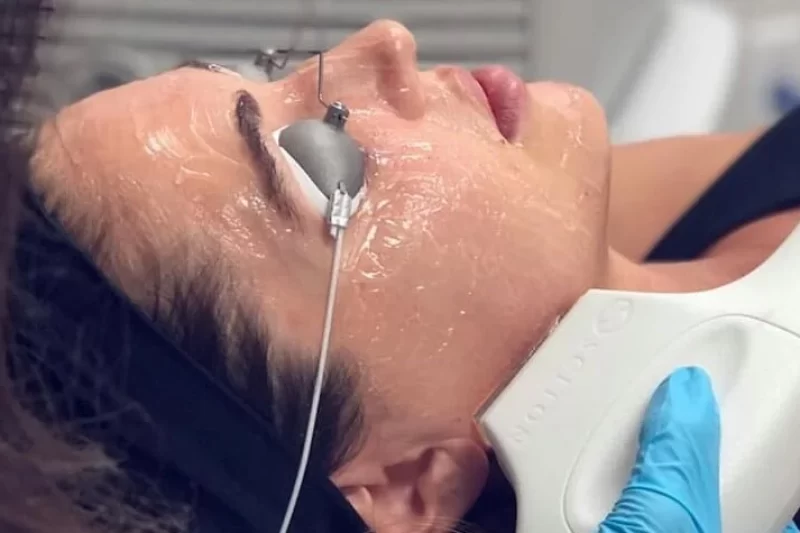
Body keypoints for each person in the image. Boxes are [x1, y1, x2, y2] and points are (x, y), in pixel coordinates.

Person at [2, 7, 800, 532]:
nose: (383, 41)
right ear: (410, 483)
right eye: (321, 161)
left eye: (263, 75)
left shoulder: (613, 216)